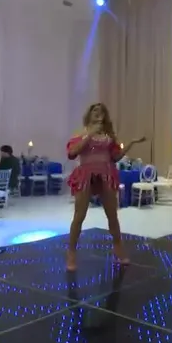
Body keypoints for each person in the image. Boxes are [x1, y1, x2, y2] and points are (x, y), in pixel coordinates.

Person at [65, 103, 145, 271]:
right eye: (95, 110)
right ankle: (71, 252)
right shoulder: (82, 133)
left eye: (101, 111)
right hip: (85, 175)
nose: (98, 113)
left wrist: (131, 143)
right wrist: (89, 134)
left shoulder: (108, 136)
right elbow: (72, 153)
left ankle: (118, 248)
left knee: (112, 215)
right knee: (79, 216)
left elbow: (115, 157)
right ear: (89, 114)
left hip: (106, 174)